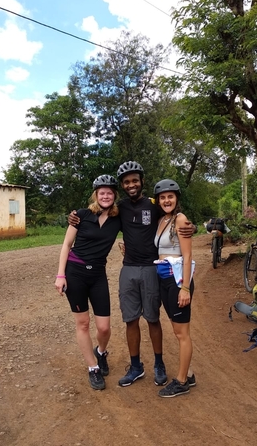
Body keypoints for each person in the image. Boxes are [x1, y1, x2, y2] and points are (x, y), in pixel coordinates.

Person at [69, 161, 195, 389]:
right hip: (128, 269)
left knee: (153, 318)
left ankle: (159, 364)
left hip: (150, 269)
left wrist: (190, 226)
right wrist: (75, 217)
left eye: (135, 180)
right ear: (123, 186)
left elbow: (173, 214)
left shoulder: (154, 205)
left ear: (142, 181)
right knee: (131, 319)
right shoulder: (120, 209)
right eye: (126, 182)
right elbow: (96, 214)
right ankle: (136, 366)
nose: (131, 185)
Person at [55, 175, 122, 390]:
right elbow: (66, 245)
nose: (105, 196)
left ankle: (100, 352)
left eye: (109, 193)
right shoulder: (81, 216)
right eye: (101, 192)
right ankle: (93, 368)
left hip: (98, 274)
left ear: (114, 196)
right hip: (75, 273)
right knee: (82, 323)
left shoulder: (117, 219)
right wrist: (60, 275)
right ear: (96, 195)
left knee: (104, 327)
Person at [153, 179, 196, 398]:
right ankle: (188, 373)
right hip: (164, 279)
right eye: (162, 197)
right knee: (176, 329)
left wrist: (185, 288)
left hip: (178, 280)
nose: (166, 200)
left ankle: (181, 382)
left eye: (170, 196)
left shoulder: (180, 219)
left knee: (182, 333)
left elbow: (187, 255)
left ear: (177, 198)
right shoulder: (162, 220)